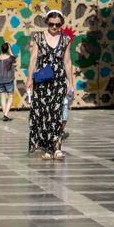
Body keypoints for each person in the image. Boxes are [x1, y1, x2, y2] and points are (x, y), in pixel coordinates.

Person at [26, 10, 71, 159]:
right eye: (51, 24)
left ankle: (57, 147)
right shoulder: (38, 37)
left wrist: (71, 83)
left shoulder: (65, 39)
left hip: (58, 80)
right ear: (47, 23)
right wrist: (29, 79)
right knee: (43, 113)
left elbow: (67, 62)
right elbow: (33, 58)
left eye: (58, 25)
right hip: (42, 81)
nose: (54, 27)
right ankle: (46, 148)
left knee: (57, 113)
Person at [0, 39, 17, 121]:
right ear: (7, 49)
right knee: (10, 96)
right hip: (8, 79)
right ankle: (6, 114)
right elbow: (14, 59)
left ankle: (5, 114)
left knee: (2, 97)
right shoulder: (10, 58)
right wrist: (10, 50)